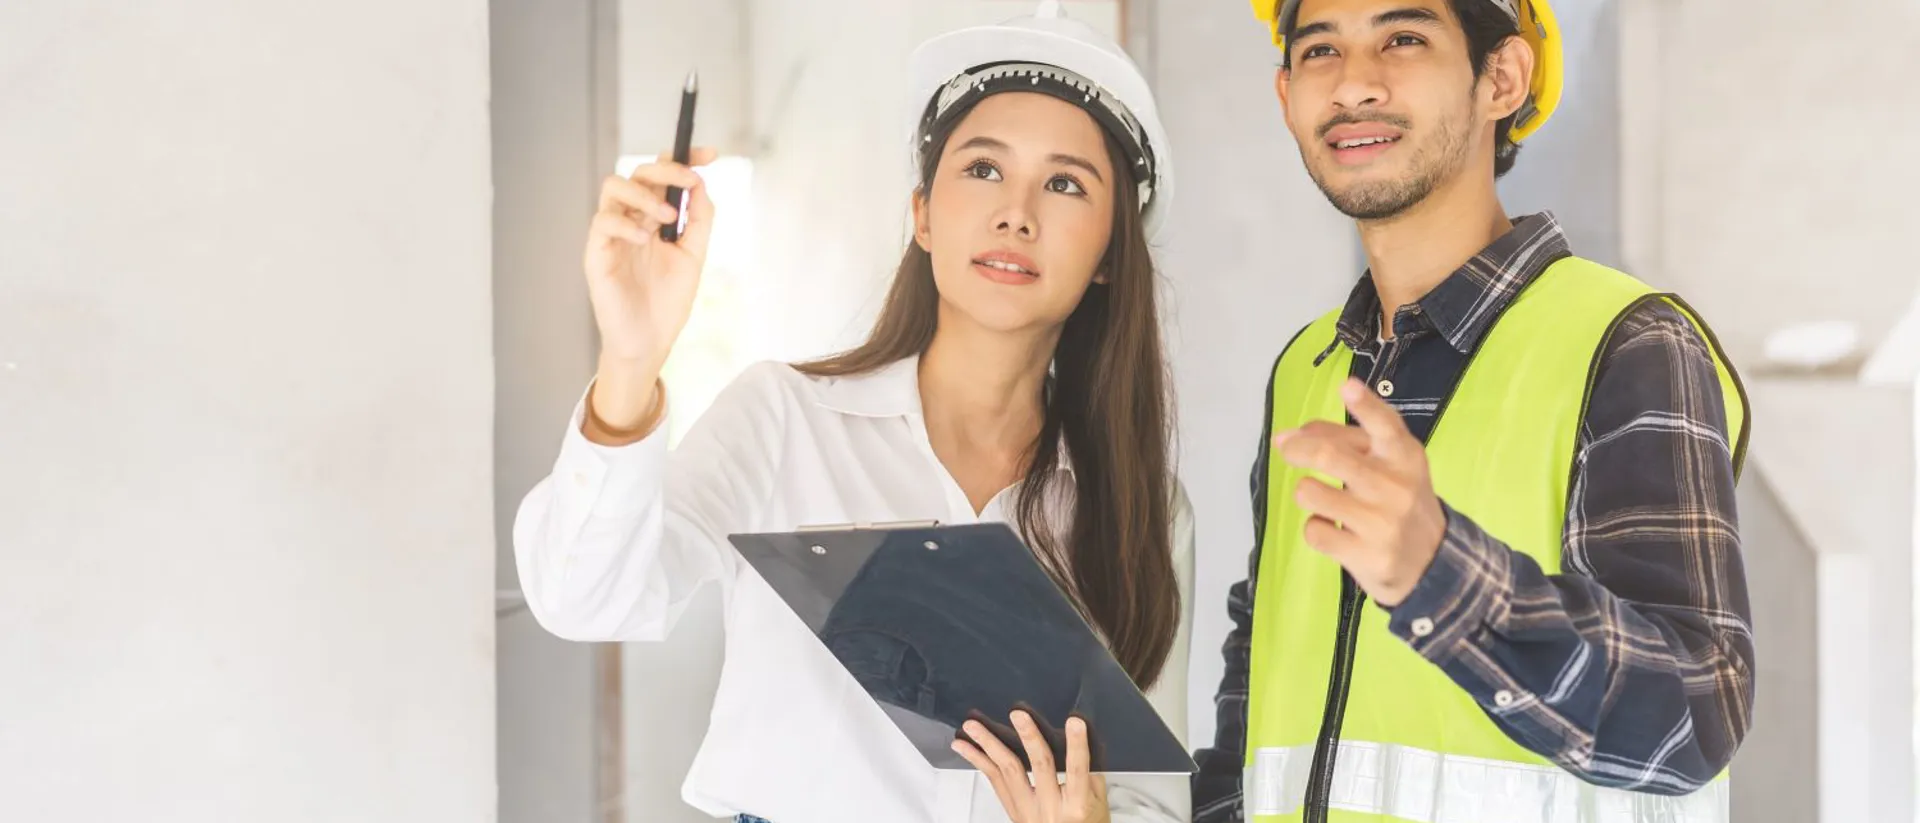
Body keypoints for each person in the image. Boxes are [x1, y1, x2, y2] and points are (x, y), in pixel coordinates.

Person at [512, 3, 1195, 822]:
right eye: (982, 169)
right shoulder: (784, 420)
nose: (1017, 211)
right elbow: (583, 598)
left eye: (1065, 182)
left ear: (1111, 255)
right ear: (923, 216)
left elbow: (1153, 800)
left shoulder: (1141, 511)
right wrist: (630, 360)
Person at [1191, 0, 1754, 820]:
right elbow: (1253, 721)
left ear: (1502, 77)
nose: (1353, 83)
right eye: (1320, 51)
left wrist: (1443, 577)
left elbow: (1697, 717)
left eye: (1404, 38)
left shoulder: (1629, 344)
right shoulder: (1308, 371)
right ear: (1286, 96)